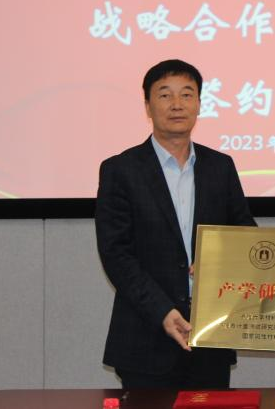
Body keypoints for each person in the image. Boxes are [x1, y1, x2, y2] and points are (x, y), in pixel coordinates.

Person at [95, 59, 256, 389]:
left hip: (210, 336)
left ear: (199, 104)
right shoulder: (120, 170)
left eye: (187, 94)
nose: (177, 104)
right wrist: (163, 312)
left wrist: (220, 260)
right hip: (145, 337)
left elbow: (245, 235)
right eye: (165, 95)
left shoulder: (220, 167)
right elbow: (116, 254)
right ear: (148, 106)